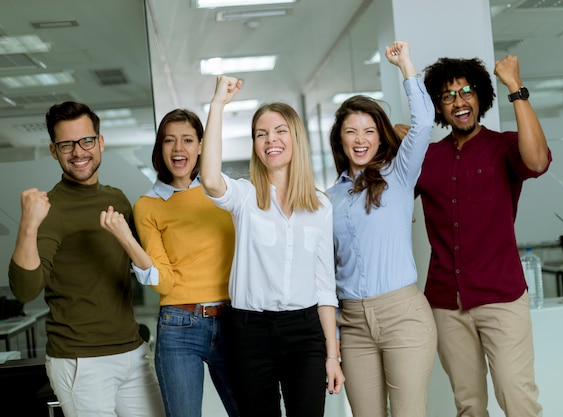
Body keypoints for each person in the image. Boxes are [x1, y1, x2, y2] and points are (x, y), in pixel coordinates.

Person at [8, 101, 165, 417]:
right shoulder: (50, 210)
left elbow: (147, 266)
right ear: (54, 151)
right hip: (80, 361)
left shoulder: (116, 198)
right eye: (66, 144)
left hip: (132, 352)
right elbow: (25, 291)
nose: (78, 152)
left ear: (100, 142)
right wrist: (28, 224)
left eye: (86, 141)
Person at [199, 75, 344, 417]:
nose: (270, 140)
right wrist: (217, 104)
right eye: (261, 134)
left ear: (295, 138)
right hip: (250, 333)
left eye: (279, 131)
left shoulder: (320, 207)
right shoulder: (245, 198)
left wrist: (332, 355)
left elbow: (325, 288)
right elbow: (208, 179)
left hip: (305, 332)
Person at [414, 55, 551, 417]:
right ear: (439, 108)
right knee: (469, 405)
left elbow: (537, 161)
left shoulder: (504, 146)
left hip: (501, 297)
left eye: (466, 92)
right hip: (446, 302)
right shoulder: (427, 159)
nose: (459, 102)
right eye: (448, 96)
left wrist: (515, 88)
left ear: (480, 97)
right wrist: (404, 137)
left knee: (516, 395)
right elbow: (387, 191)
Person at [99, 109, 240, 417]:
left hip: (234, 321)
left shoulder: (226, 194)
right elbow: (163, 282)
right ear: (159, 148)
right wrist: (126, 239)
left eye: (188, 140)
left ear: (201, 145)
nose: (179, 149)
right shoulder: (148, 205)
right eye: (169, 141)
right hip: (179, 324)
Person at [326, 41, 437, 417]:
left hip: (403, 315)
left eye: (369, 131)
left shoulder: (400, 174)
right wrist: (334, 339)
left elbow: (423, 124)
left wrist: (406, 65)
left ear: (380, 135)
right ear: (339, 138)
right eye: (351, 131)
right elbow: (327, 270)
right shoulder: (328, 200)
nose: (360, 140)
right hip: (353, 323)